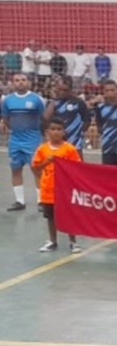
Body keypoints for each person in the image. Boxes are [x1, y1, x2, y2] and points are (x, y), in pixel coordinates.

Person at [31, 118, 82, 253]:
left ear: (64, 132)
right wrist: (47, 162)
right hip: (48, 190)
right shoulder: (42, 149)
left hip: (65, 190)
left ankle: (73, 242)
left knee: (69, 215)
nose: (56, 132)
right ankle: (52, 241)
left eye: (59, 129)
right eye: (53, 129)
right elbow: (36, 168)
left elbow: (77, 168)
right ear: (47, 132)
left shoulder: (69, 149)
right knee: (50, 217)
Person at [1, 73, 46, 211]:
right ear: (13, 83)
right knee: (15, 170)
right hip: (15, 141)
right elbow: (6, 118)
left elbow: (44, 117)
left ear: (28, 82)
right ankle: (19, 201)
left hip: (33, 141)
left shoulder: (37, 99)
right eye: (17, 80)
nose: (20, 82)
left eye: (23, 80)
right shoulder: (7, 100)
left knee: (37, 170)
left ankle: (41, 201)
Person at [43, 77, 90, 159]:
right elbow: (45, 118)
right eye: (60, 89)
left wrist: (78, 132)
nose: (62, 92)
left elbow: (87, 120)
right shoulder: (53, 103)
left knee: (76, 164)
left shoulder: (78, 102)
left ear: (70, 90)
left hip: (75, 143)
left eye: (65, 90)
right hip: (58, 142)